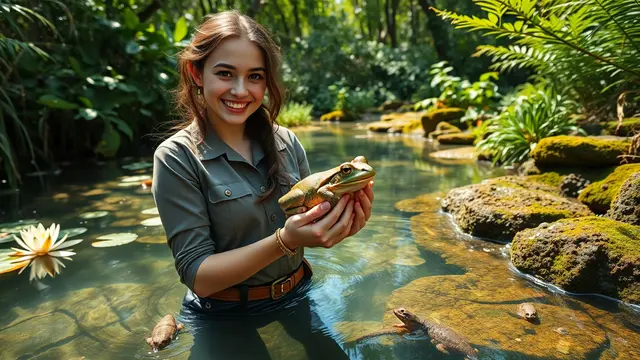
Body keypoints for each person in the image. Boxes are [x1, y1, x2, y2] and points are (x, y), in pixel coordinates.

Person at [150, 10, 375, 360]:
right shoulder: (176, 157)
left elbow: (308, 224)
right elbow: (198, 276)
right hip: (223, 312)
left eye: (255, 76)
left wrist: (339, 224)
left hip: (298, 293)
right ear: (197, 73)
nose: (241, 90)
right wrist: (285, 241)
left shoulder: (286, 141)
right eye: (225, 73)